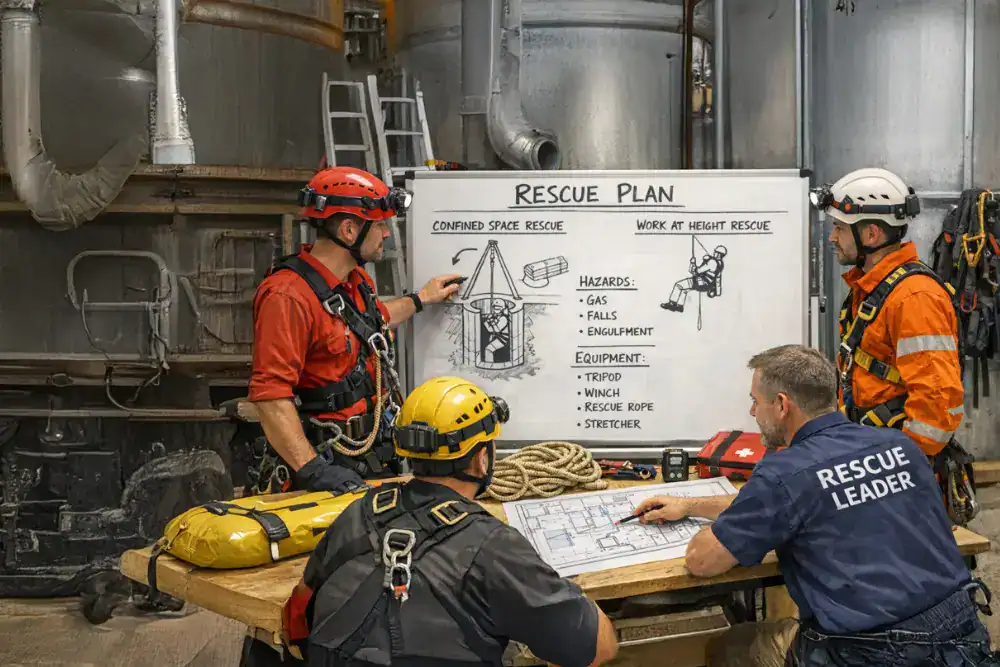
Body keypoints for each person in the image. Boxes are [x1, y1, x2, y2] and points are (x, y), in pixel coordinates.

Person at [633, 344, 996, 666]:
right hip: (960, 637)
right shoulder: (900, 446)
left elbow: (702, 560)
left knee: (732, 647)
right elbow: (812, 494)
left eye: (756, 401)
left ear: (781, 405)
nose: (752, 411)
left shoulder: (784, 473)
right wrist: (690, 505)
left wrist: (722, 528)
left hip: (865, 652)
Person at [279, 376, 619, 667]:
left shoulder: (359, 512)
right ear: (482, 459)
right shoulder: (493, 547)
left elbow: (299, 610)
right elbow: (597, 648)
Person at [246, 166, 462, 497]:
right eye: (380, 224)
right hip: (327, 464)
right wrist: (313, 470)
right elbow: (271, 395)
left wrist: (421, 299)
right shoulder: (287, 296)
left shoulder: (355, 282)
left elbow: (371, 323)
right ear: (349, 230)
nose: (386, 234)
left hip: (370, 453)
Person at [808, 168, 978, 524]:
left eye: (839, 227)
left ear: (871, 233)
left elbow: (937, 406)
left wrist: (898, 474)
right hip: (873, 459)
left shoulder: (914, 298)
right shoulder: (873, 288)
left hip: (899, 480)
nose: (833, 237)